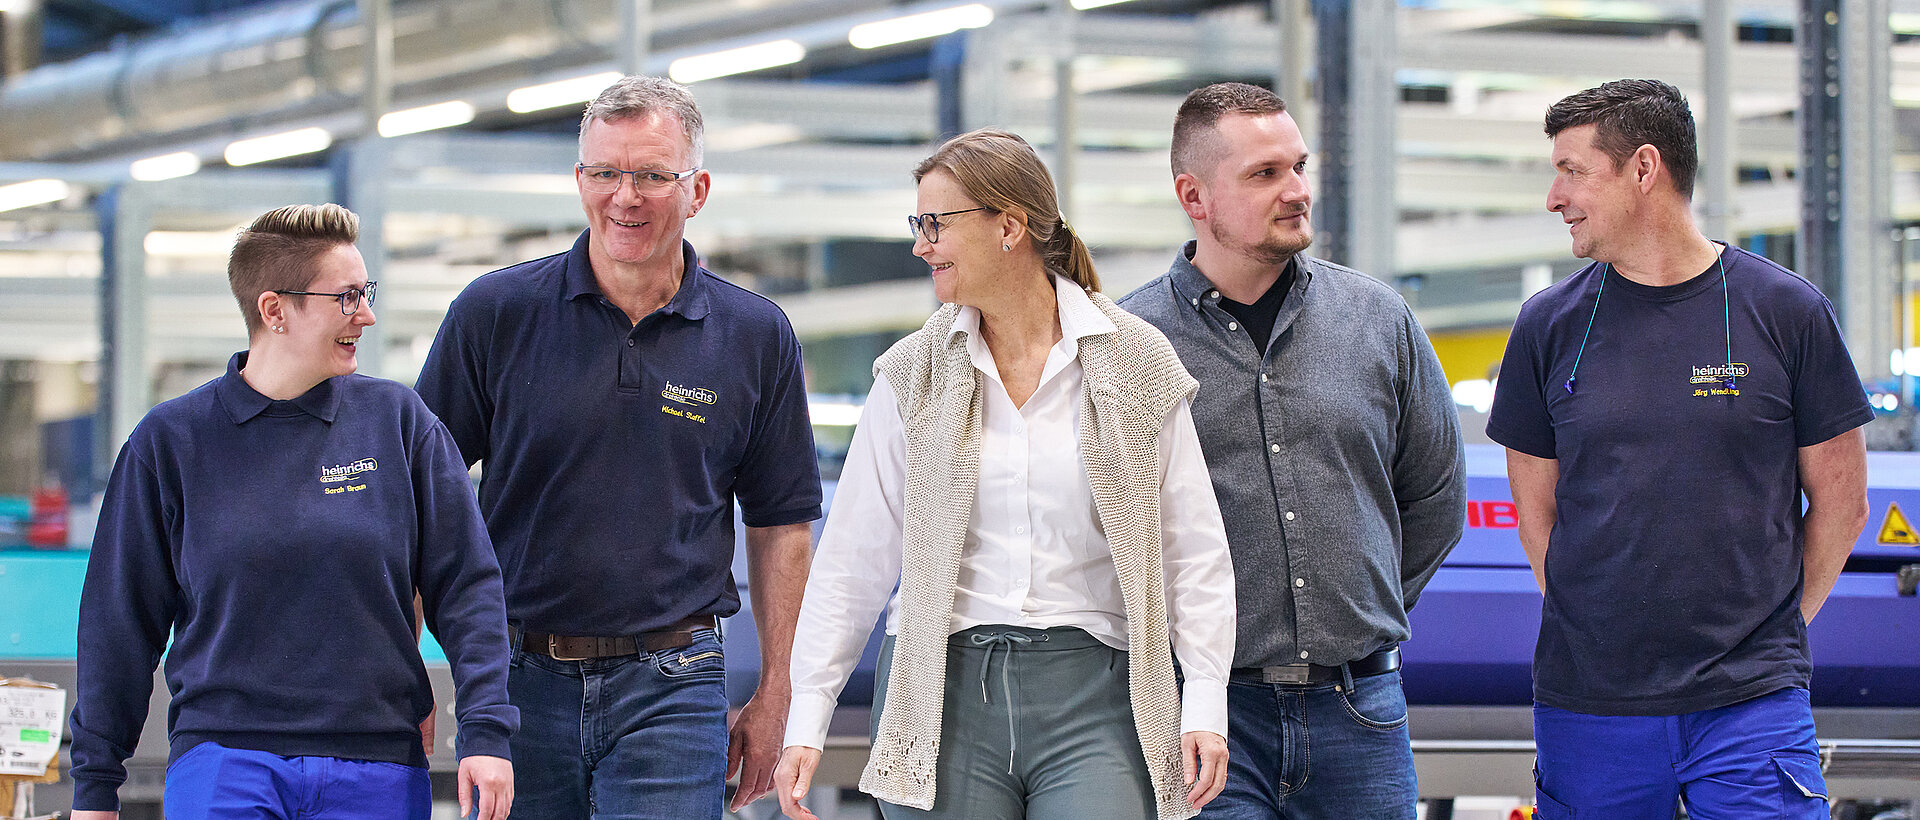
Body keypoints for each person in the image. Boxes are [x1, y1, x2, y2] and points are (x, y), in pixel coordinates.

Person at [771, 128, 1237, 820]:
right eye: (918, 225)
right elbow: (852, 562)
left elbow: (1193, 549)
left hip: (1100, 696)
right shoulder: (912, 373)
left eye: (936, 224)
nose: (921, 246)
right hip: (940, 695)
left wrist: (1204, 699)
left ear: (1009, 227)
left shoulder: (1136, 362)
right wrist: (808, 716)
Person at [415, 75, 822, 819]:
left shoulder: (756, 336)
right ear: (580, 181)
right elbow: (418, 503)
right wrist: (401, 674)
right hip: (515, 681)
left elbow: (781, 525)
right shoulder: (495, 314)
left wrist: (778, 690)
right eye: (605, 172)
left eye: (652, 176)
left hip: (674, 685)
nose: (624, 197)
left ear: (697, 190)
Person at [1486, 78, 1872, 818]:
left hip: (1750, 706)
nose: (1554, 197)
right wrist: (1599, 634)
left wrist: (1772, 634)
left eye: (1571, 171)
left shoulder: (1787, 313)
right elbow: (1537, 515)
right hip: (1590, 707)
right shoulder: (1548, 327)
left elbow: (1844, 502)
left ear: (1643, 168)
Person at [69, 203, 516, 820]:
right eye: (346, 297)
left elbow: (468, 588)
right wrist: (95, 789)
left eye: (366, 293)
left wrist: (486, 729)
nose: (366, 315)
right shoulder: (171, 443)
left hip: (376, 766)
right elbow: (119, 622)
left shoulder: (399, 425)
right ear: (275, 310)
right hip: (225, 764)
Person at [1118, 82, 1466, 820]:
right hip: (1201, 722)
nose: (1297, 191)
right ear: (1194, 195)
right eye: (1265, 174)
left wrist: (1358, 608)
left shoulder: (1377, 320)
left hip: (1361, 710)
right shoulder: (1130, 345)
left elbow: (1435, 498)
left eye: (1299, 166)